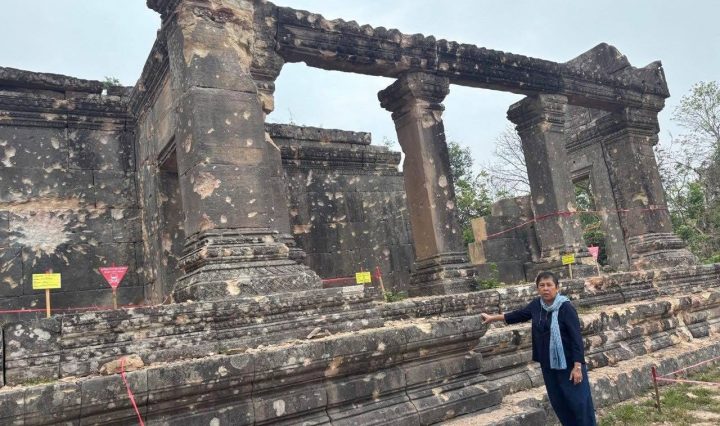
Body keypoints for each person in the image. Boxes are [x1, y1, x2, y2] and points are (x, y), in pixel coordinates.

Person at [481, 271, 596, 426]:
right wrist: (492, 318)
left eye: (549, 285)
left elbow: (576, 339)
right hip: (548, 364)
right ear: (537, 289)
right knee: (560, 403)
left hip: (569, 364)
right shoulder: (536, 305)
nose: (545, 288)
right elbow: (518, 315)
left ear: (557, 287)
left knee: (579, 403)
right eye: (542, 285)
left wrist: (577, 367)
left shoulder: (566, 308)